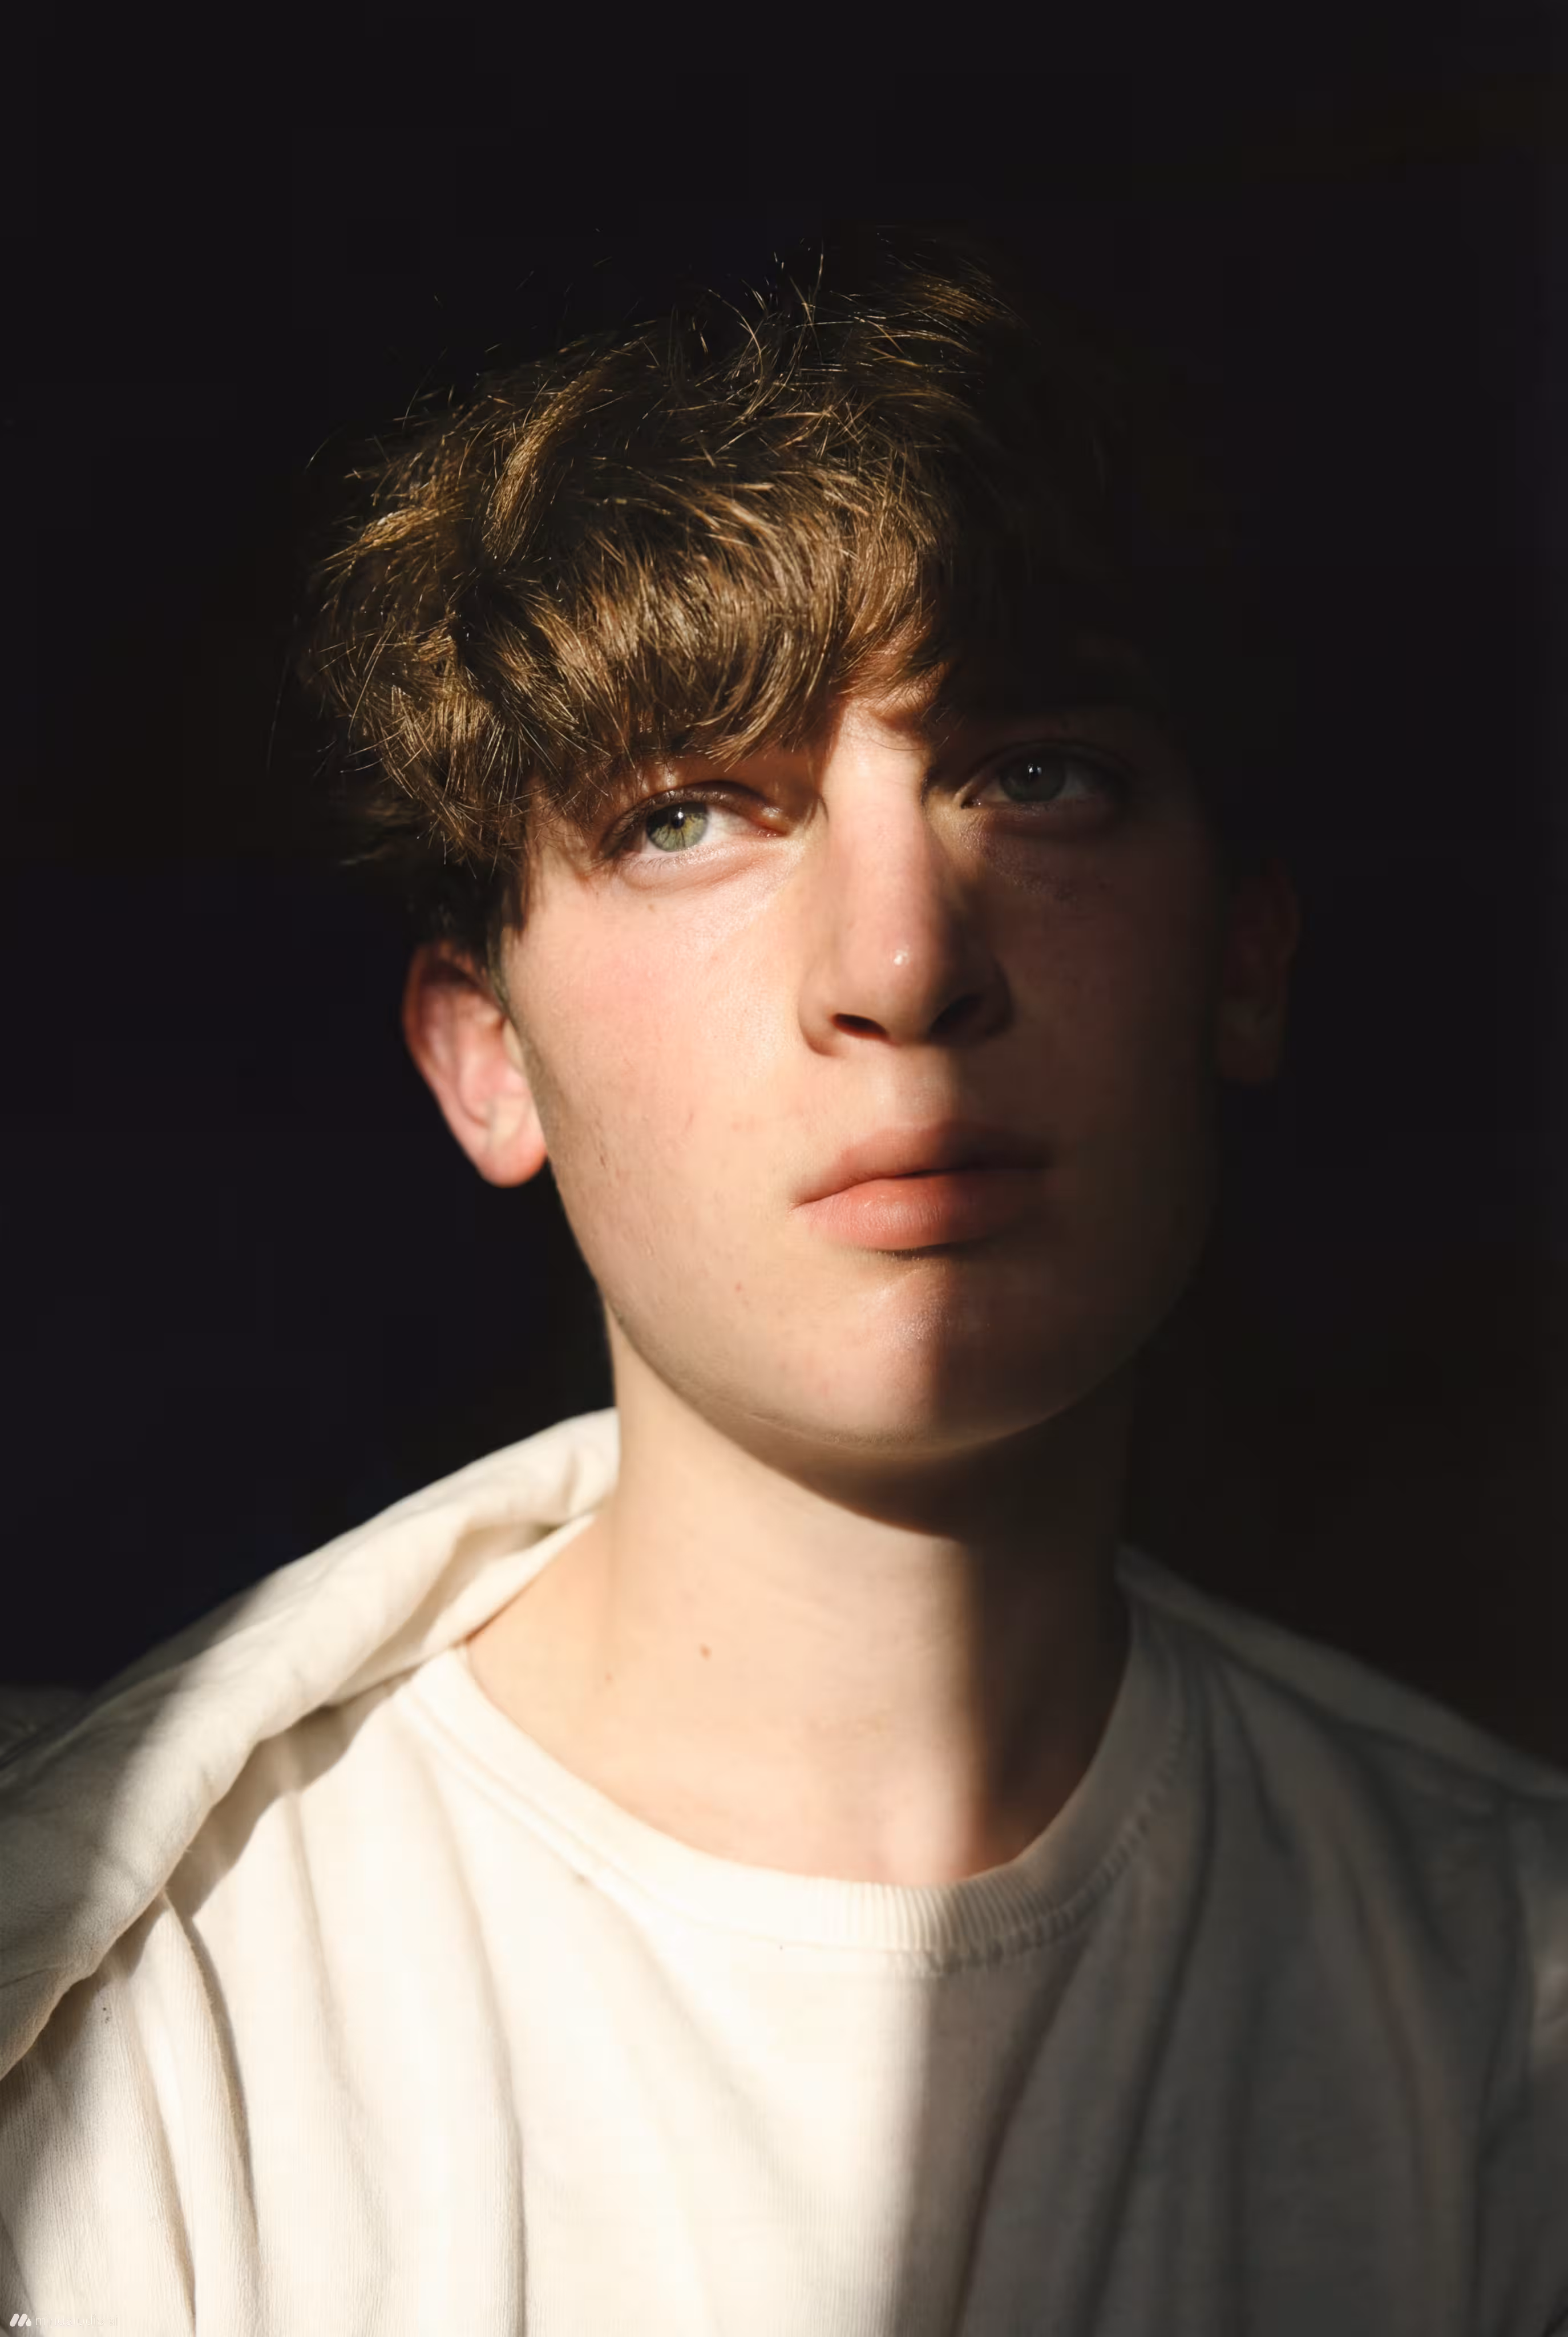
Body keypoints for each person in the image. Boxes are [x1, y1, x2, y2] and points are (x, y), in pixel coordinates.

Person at [1, 223, 1563, 2335]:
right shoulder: (160, 2018)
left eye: (1034, 775)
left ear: (1245, 960)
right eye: (687, 819)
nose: (903, 965)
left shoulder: (1503, 1993)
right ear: (487, 1055)